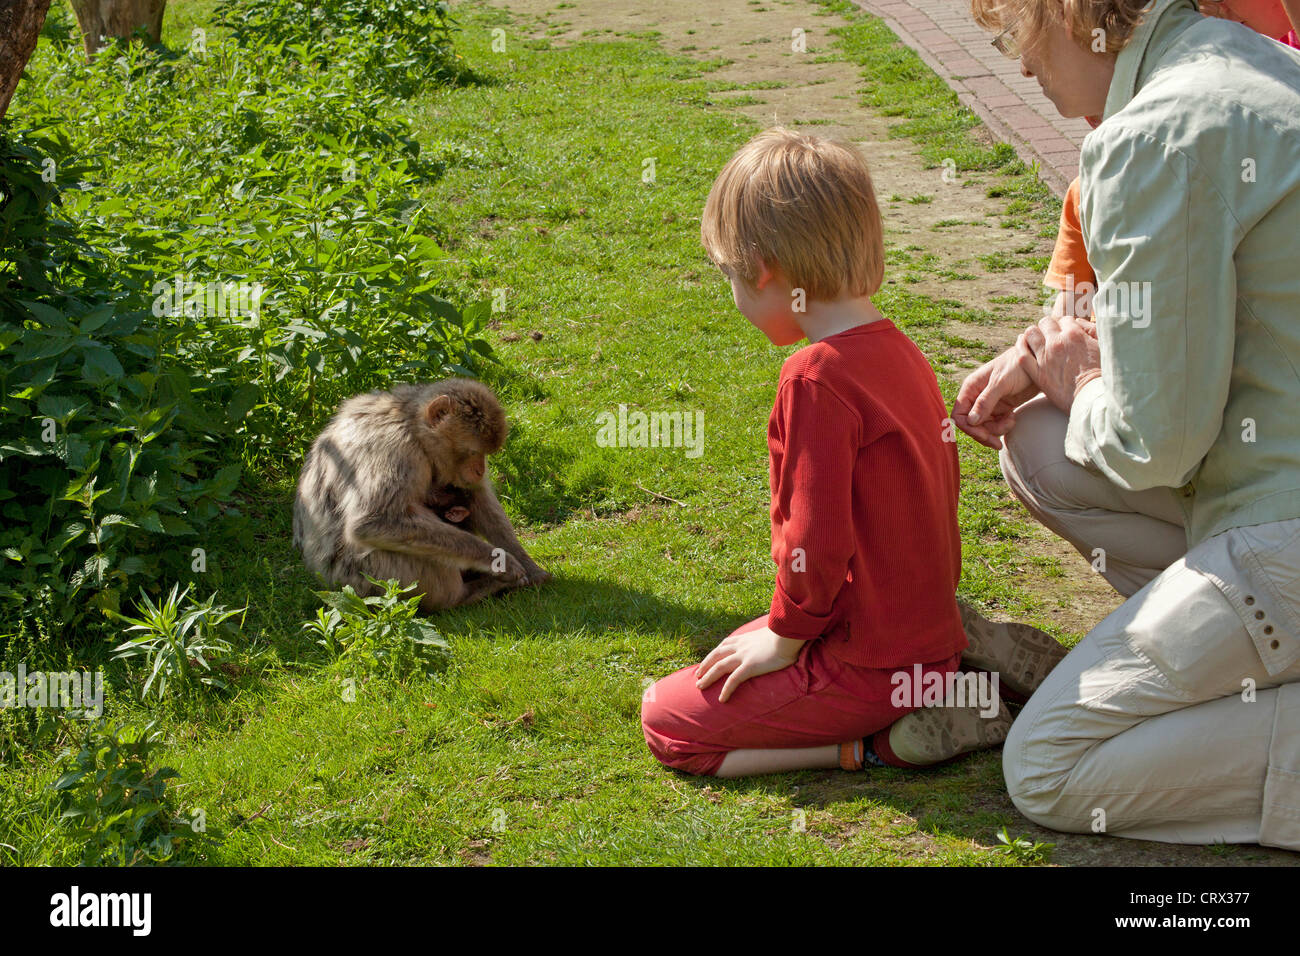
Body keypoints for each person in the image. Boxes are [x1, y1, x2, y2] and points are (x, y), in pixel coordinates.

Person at [959, 0, 1300, 848]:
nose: (1019, 64)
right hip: (1274, 478)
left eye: (1014, 30)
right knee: (1038, 442)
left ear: (1070, 13)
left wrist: (1076, 375)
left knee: (1049, 765)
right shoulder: (1257, 68)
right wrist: (1050, 357)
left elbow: (1158, 440)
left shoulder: (1149, 136)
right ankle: (1233, 671)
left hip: (1283, 528)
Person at [641, 128, 1067, 778]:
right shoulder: (897, 348)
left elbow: (817, 539)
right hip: (913, 623)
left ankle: (877, 745)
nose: (733, 294)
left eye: (729, 274)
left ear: (762, 268)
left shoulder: (815, 378)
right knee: (734, 648)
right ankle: (955, 652)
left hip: (867, 662)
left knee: (667, 721)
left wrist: (785, 640)